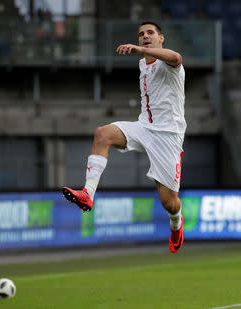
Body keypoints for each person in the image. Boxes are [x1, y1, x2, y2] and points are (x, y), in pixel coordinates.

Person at [62, 21, 186, 253]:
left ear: (161, 38)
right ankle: (87, 194)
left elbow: (177, 57)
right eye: (141, 35)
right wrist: (143, 54)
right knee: (103, 134)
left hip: (168, 135)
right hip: (143, 127)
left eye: (150, 33)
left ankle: (176, 222)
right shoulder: (143, 64)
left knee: (169, 202)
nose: (145, 37)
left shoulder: (169, 63)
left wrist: (143, 50)